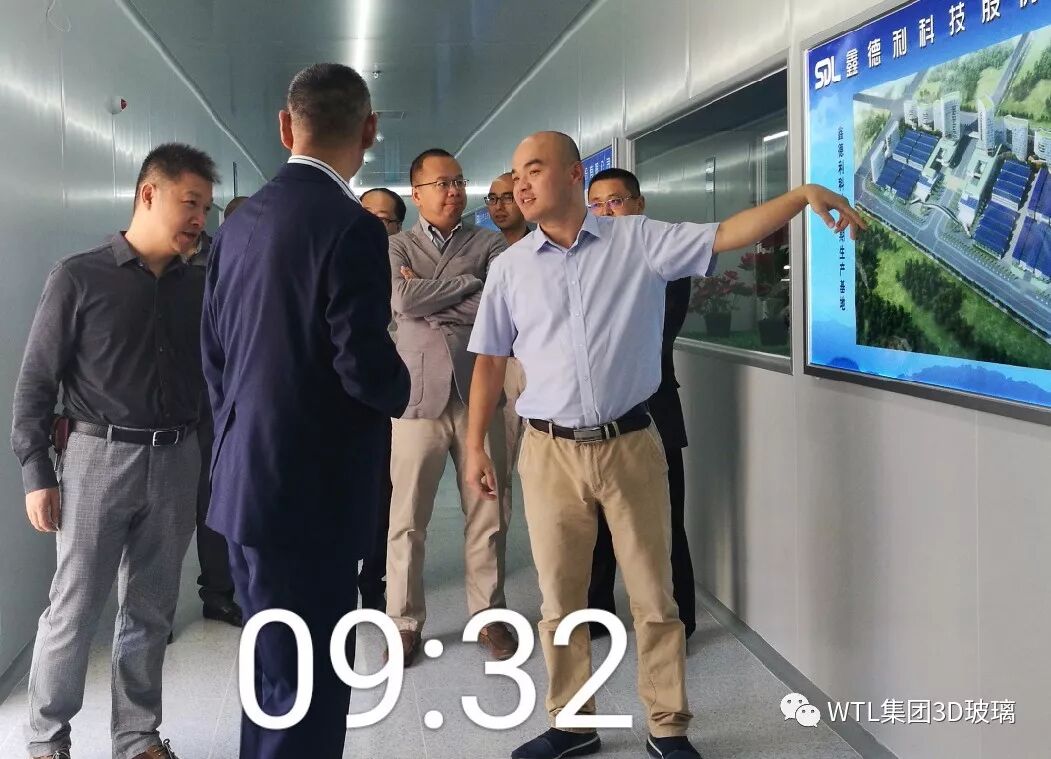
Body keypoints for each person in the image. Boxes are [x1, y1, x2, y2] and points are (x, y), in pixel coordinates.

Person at [464, 131, 864, 759]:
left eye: (533, 170)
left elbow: (728, 233)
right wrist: (475, 447)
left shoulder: (639, 241)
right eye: (516, 175)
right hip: (547, 452)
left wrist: (801, 195)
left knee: (653, 595)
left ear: (573, 174)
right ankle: (572, 724)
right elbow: (489, 361)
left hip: (630, 444)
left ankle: (667, 725)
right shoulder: (510, 269)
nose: (520, 185)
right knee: (561, 599)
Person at [202, 63, 409, 758]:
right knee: (311, 680)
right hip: (311, 497)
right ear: (369, 130)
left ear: (286, 127)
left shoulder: (238, 226)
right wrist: (402, 387)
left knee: (272, 671)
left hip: (243, 485)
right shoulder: (351, 227)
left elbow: (213, 354)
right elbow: (362, 365)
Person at [12, 142, 218, 759]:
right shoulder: (79, 277)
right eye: (190, 204)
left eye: (205, 209)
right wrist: (36, 473)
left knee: (151, 610)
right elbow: (36, 382)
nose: (199, 220)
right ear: (149, 194)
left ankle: (136, 737)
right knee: (73, 610)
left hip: (177, 459)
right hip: (97, 460)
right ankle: (47, 741)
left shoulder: (199, 286)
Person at [385, 148, 515, 666]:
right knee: (407, 515)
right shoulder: (396, 244)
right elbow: (402, 302)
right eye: (441, 183)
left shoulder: (489, 242)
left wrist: (429, 296)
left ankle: (488, 614)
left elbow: (498, 308)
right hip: (417, 395)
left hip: (479, 391)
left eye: (458, 181)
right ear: (416, 194)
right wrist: (467, 284)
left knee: (489, 508)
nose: (453, 191)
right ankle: (403, 620)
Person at [584, 167, 694, 640]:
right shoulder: (584, 260)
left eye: (616, 201)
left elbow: (650, 336)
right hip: (597, 414)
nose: (606, 212)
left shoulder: (665, 256)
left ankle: (681, 619)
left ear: (638, 204)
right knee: (597, 522)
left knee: (666, 521)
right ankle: (596, 612)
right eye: (596, 204)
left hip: (654, 409)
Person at [184, 230, 243, 630]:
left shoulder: (221, 260)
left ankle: (219, 591)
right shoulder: (156, 266)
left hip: (218, 397)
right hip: (170, 400)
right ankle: (148, 613)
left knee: (215, 495)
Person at [357, 186, 408, 611]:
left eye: (382, 219)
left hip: (389, 396)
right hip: (341, 398)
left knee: (383, 491)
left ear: (397, 226)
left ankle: (373, 577)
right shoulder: (337, 259)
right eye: (365, 215)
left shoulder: (407, 262)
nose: (371, 226)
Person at [485, 173, 529, 511]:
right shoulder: (481, 250)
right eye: (493, 199)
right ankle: (495, 542)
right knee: (496, 468)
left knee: (547, 468)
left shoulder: (545, 245)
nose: (499, 206)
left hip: (540, 364)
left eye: (507, 197)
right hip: (498, 364)